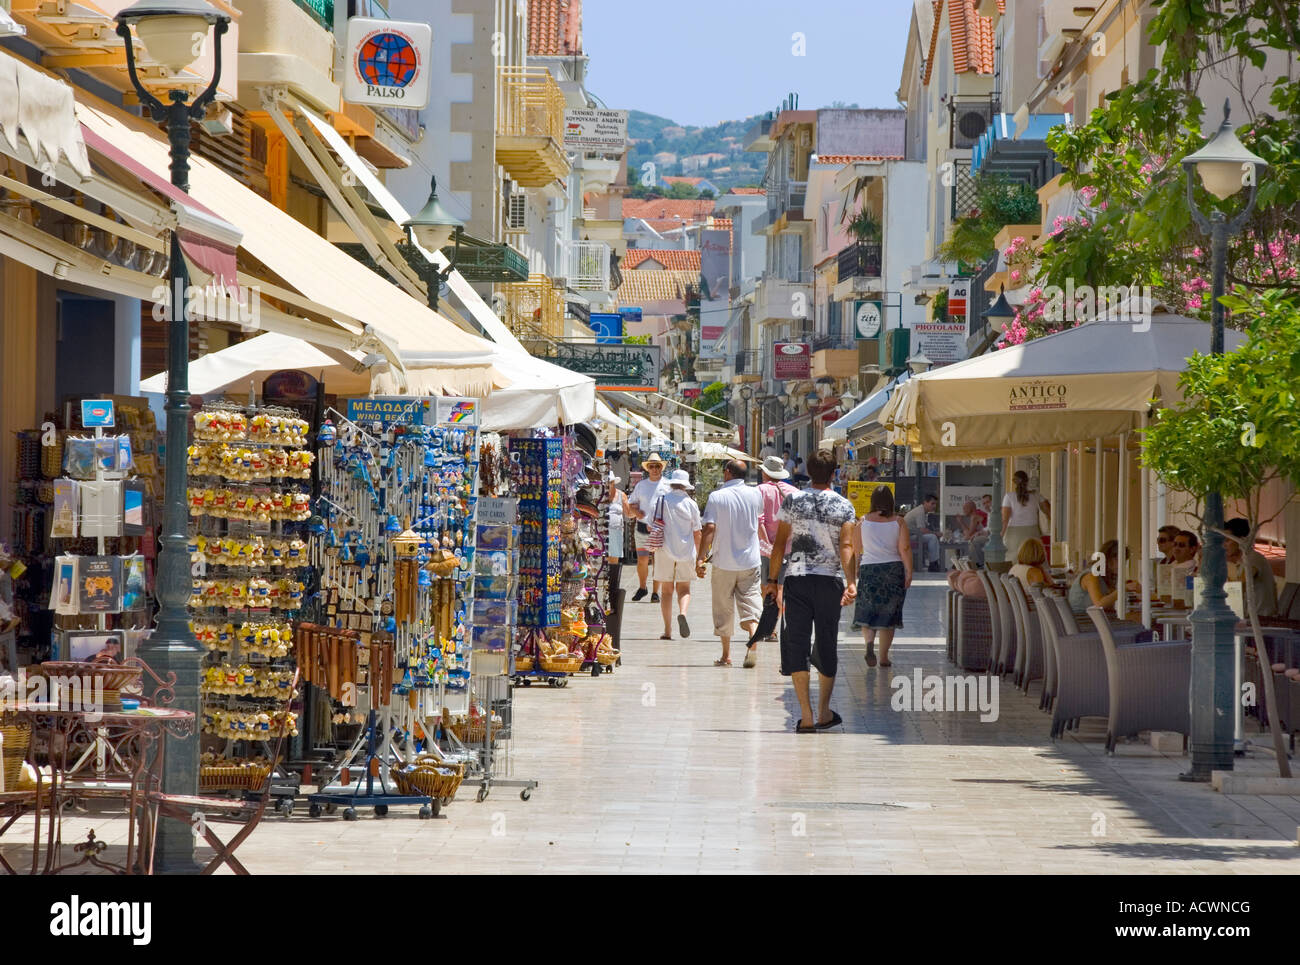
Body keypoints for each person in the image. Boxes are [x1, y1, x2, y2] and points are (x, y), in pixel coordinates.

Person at [765, 450, 857, 732]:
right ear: (834, 473)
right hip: (829, 581)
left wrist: (771, 580)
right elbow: (846, 546)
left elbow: (780, 545)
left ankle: (805, 715)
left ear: (806, 470)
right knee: (827, 641)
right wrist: (852, 581)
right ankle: (823, 711)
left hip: (798, 579)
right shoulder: (844, 505)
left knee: (798, 644)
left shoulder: (793, 500)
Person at [696, 459, 764, 667]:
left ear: (727, 473)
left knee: (723, 608)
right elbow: (758, 519)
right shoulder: (755, 494)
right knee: (751, 603)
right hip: (750, 560)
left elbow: (709, 528)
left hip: (724, 561)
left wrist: (700, 558)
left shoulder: (717, 497)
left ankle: (726, 655)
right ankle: (752, 635)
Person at [851, 484, 911, 668]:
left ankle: (869, 644)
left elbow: (855, 550)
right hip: (892, 570)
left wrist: (855, 572)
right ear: (891, 501)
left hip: (869, 570)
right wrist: (909, 571)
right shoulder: (899, 522)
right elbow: (905, 548)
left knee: (868, 611)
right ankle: (883, 657)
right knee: (888, 616)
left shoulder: (862, 522)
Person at [652, 470, 702, 639]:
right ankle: (683, 613)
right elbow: (697, 532)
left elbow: (653, 526)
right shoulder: (691, 504)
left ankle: (667, 630)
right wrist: (700, 558)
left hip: (664, 550)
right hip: (686, 552)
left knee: (666, 592)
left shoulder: (662, 500)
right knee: (684, 589)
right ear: (686, 485)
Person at [757, 455, 798, 642]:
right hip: (789, 548)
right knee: (782, 588)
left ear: (765, 472)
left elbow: (759, 522)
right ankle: (777, 626)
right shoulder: (794, 492)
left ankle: (769, 627)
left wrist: (768, 545)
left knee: (766, 587)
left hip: (766, 549)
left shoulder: (759, 491)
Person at [628, 453, 670, 603]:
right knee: (642, 560)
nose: (654, 469)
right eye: (651, 466)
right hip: (642, 527)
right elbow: (631, 503)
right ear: (647, 469)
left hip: (660, 529)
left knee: (658, 561)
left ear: (661, 468)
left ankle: (655, 592)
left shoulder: (667, 485)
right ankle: (642, 587)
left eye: (657, 466)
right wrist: (637, 512)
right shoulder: (641, 485)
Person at [1224, 518, 1277, 618]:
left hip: (1262, 620)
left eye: (1227, 540)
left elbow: (1239, 588)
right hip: (1250, 618)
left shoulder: (1253, 558)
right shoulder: (1242, 561)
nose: (1223, 545)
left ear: (1242, 540)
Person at [1068, 539, 1136, 616]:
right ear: (1107, 559)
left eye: (1124, 561)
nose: (1121, 565)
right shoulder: (1091, 576)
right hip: (1082, 621)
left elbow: (1109, 605)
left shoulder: (1107, 576)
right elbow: (1099, 604)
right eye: (1117, 560)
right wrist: (1123, 589)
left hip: (1092, 620)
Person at [1001, 470, 1049, 559]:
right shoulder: (1036, 495)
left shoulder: (1009, 496)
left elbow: (1005, 520)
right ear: (1027, 481)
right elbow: (1048, 511)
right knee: (1034, 558)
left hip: (1014, 534)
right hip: (1033, 532)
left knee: (1014, 560)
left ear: (1014, 481)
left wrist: (1000, 536)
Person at [904, 494, 942, 572]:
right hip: (908, 537)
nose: (934, 506)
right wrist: (935, 533)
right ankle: (933, 564)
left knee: (932, 537)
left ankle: (934, 563)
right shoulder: (920, 512)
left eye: (935, 504)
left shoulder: (923, 511)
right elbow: (922, 530)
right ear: (925, 502)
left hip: (912, 535)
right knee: (932, 537)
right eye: (932, 503)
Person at [957, 499, 989, 567]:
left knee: (972, 541)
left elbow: (968, 535)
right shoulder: (976, 514)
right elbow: (970, 532)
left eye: (965, 508)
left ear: (971, 508)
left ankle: (976, 564)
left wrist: (961, 522)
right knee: (971, 540)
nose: (963, 510)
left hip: (989, 536)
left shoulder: (975, 516)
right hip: (985, 535)